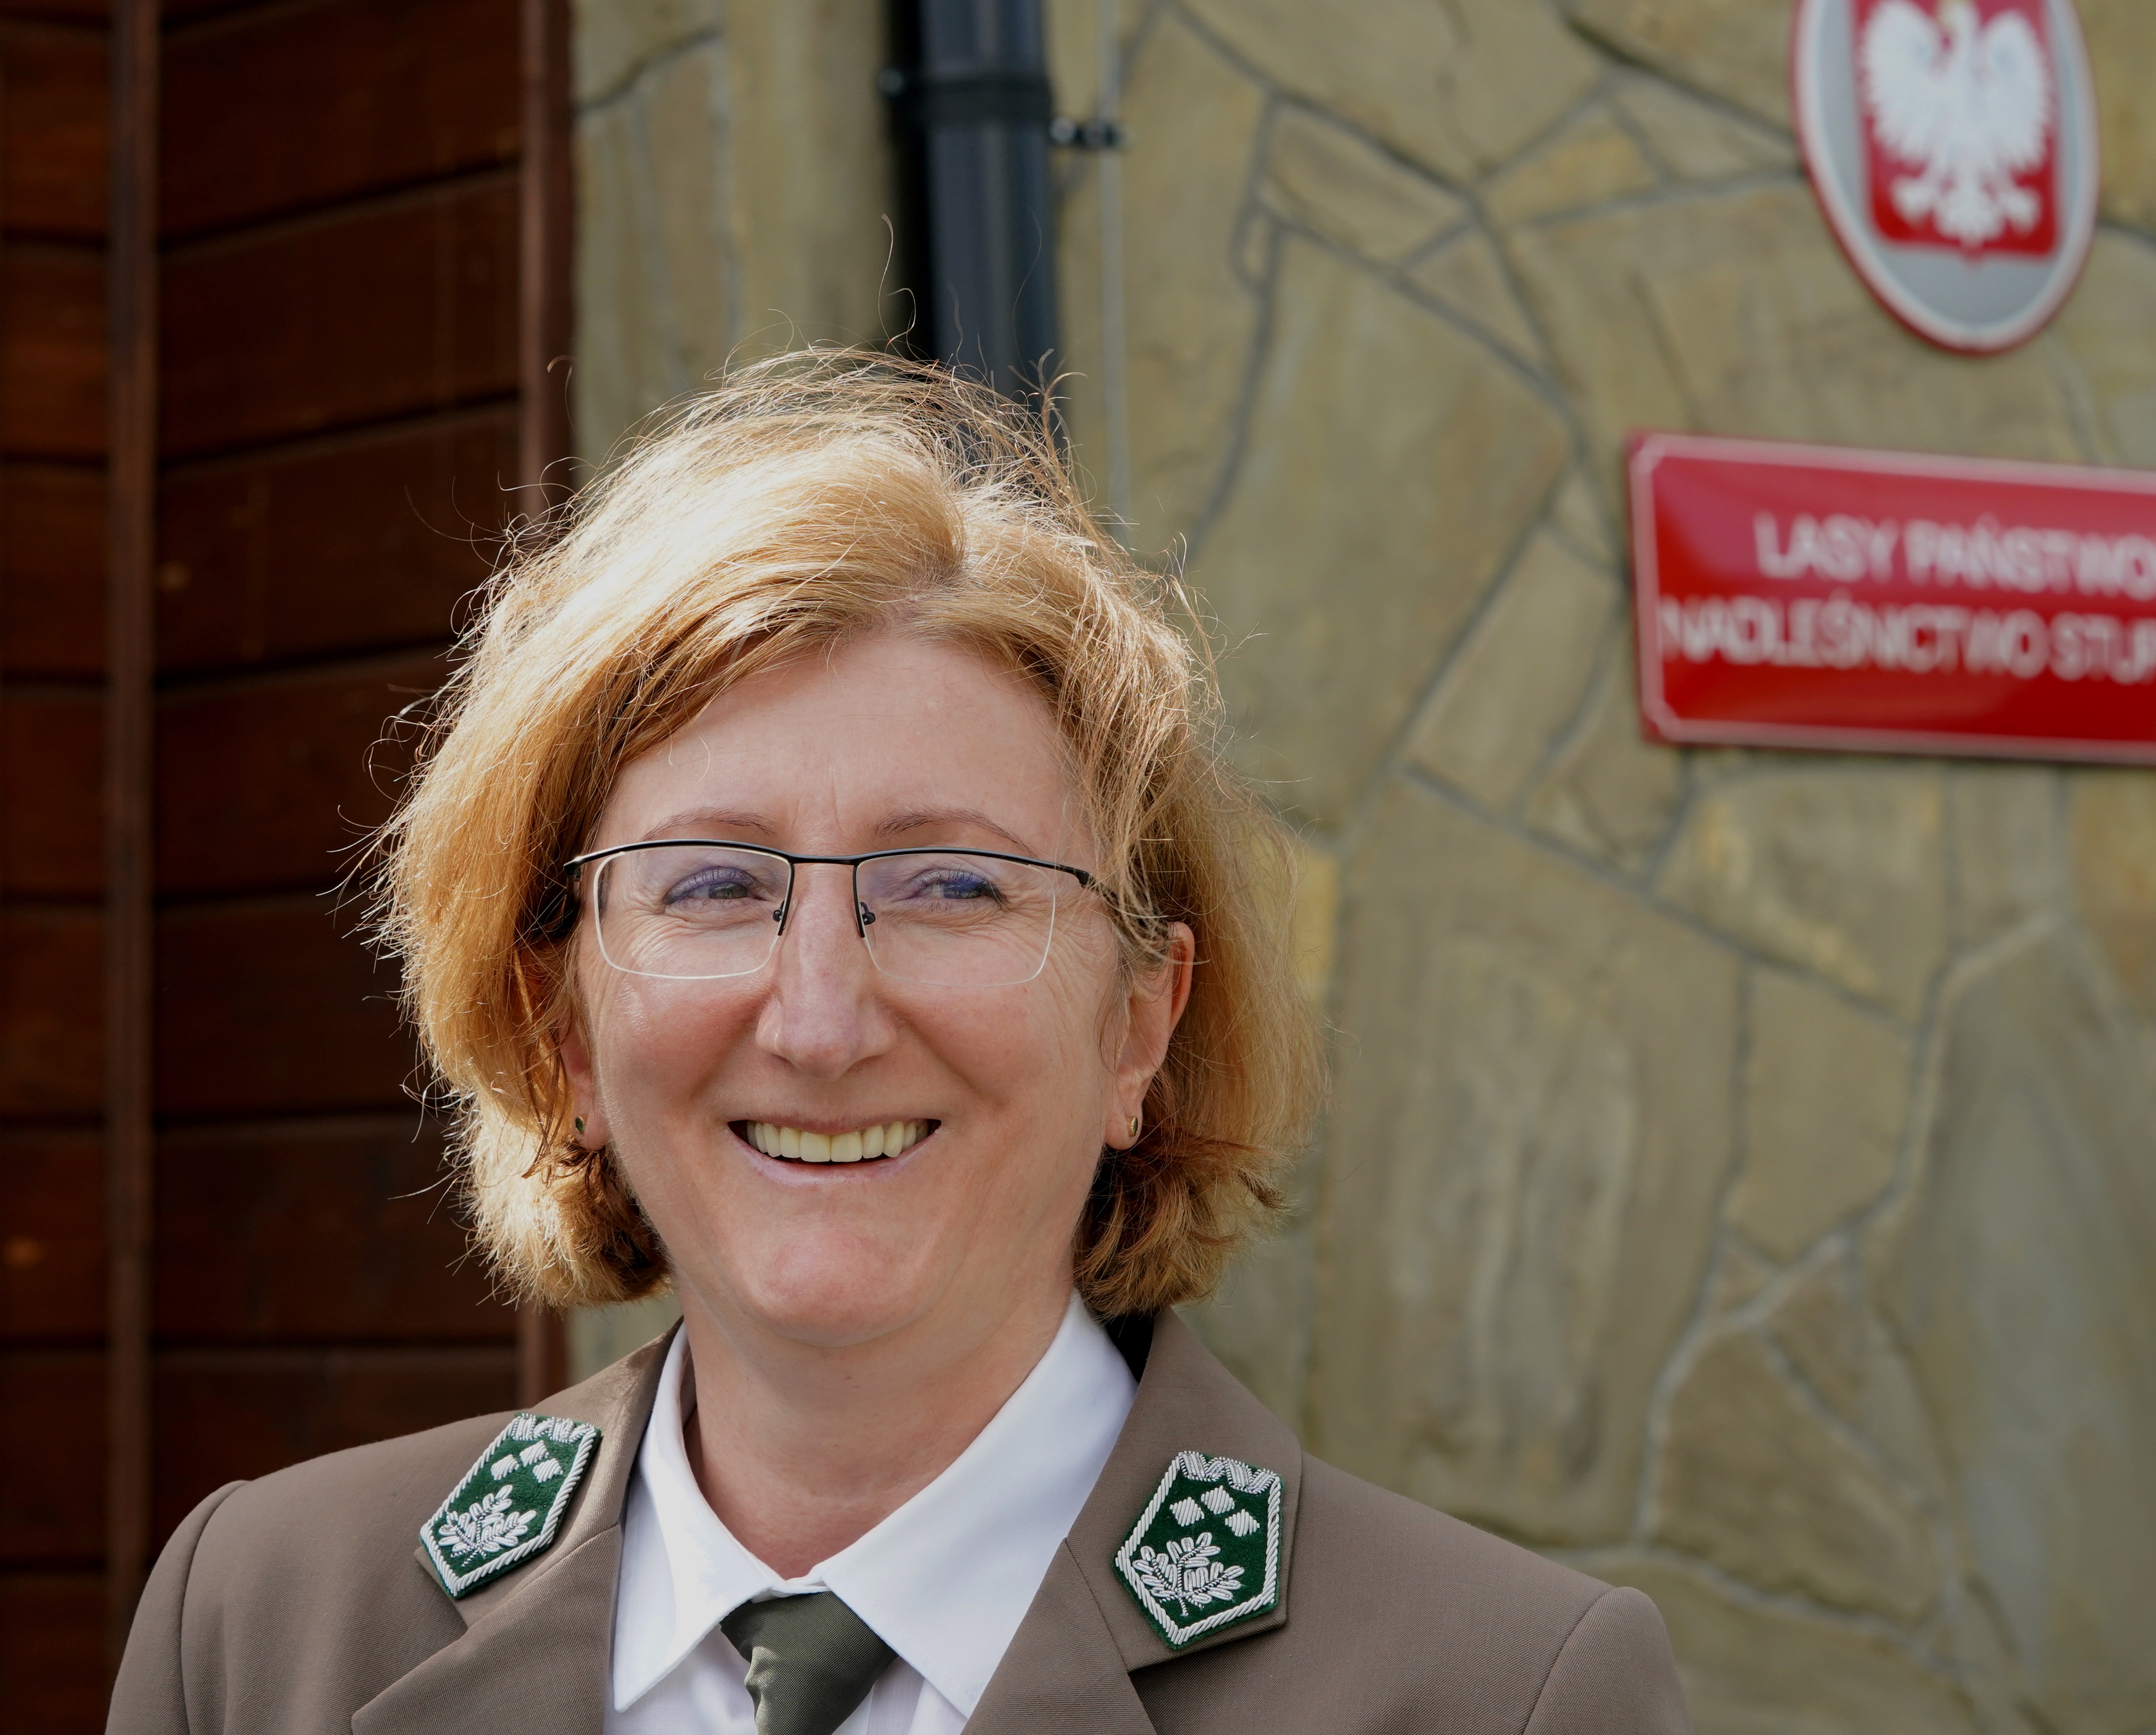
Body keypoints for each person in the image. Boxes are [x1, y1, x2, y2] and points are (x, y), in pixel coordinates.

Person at [106, 353, 1692, 1735]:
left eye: (950, 885)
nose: (817, 1019)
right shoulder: (264, 1624)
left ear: (1143, 1018)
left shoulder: (1504, 1694)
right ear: (560, 1024)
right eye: (713, 883)